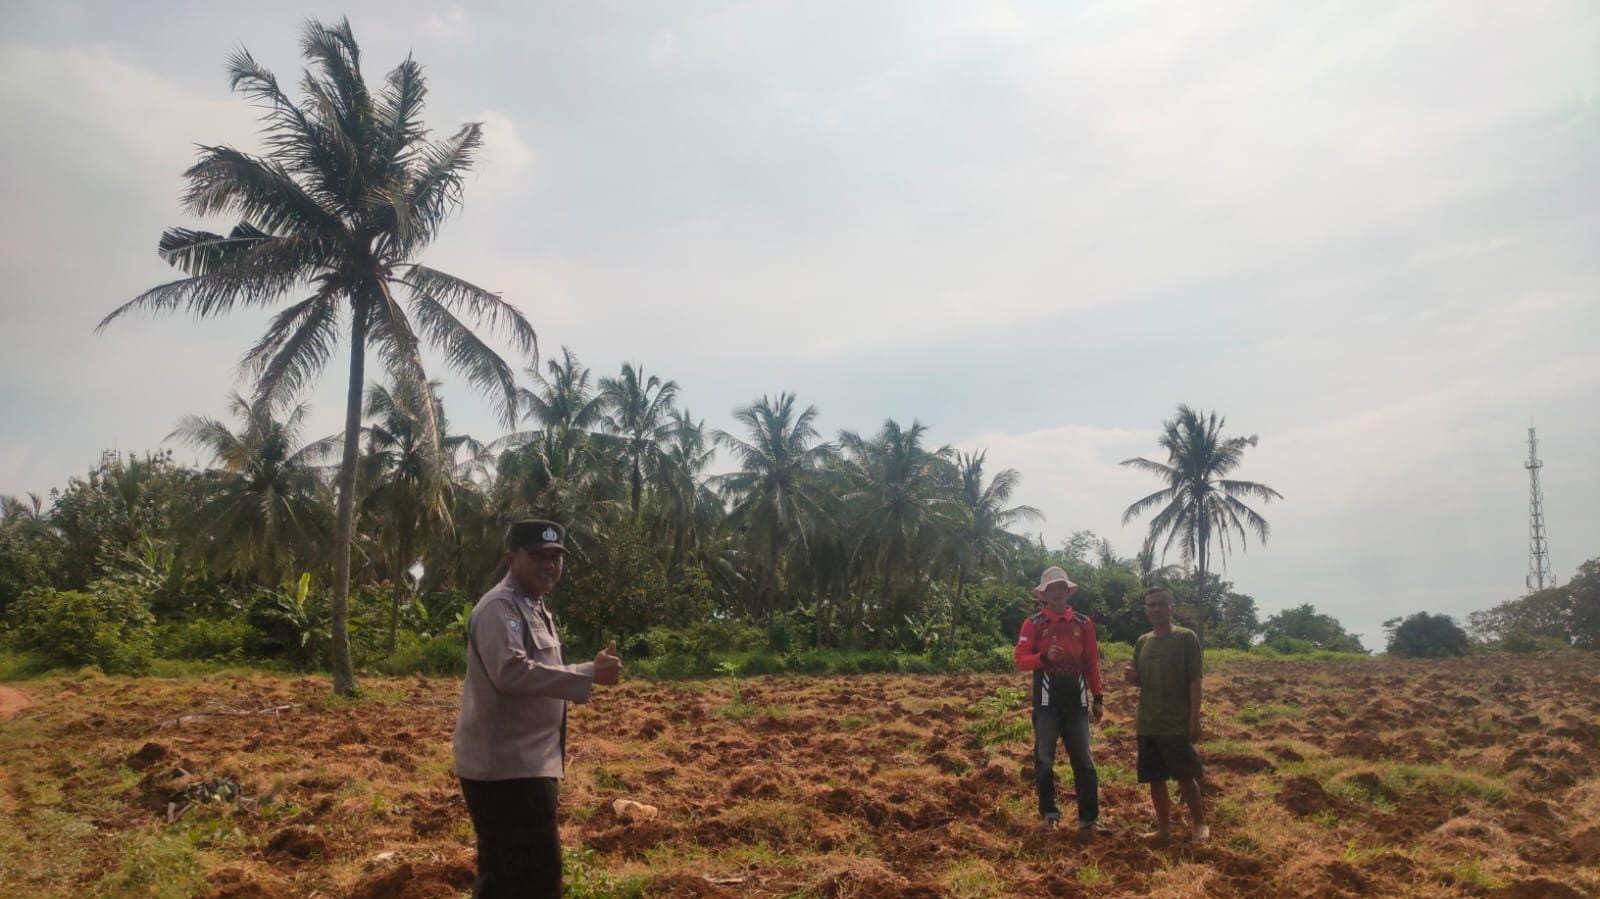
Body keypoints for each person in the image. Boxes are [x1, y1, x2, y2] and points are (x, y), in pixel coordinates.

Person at [452, 519, 623, 897]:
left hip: (529, 762)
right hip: (506, 770)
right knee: (526, 878)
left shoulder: (534, 606)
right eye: (539, 556)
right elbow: (511, 672)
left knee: (518, 877)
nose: (550, 564)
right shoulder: (499, 607)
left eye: (556, 557)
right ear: (511, 558)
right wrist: (587, 674)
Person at [1014, 566, 1104, 832]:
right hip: (1046, 703)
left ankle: (1089, 819)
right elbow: (1020, 660)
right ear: (1044, 594)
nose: (1056, 594)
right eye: (1051, 589)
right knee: (1044, 760)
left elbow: (1092, 662)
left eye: (1060, 589)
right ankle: (1049, 814)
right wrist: (1043, 658)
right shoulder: (1033, 624)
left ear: (1067, 592)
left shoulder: (1083, 624)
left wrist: (1098, 697)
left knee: (1084, 760)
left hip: (1077, 702)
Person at [1124, 586, 1208, 845]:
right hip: (1148, 722)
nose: (1156, 609)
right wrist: (1131, 677)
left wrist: (1194, 718)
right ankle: (1163, 830)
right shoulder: (1143, 642)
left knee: (1185, 776)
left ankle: (1199, 824)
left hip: (1175, 721)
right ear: (1146, 610)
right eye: (1151, 605)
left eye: (1161, 604)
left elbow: (1195, 680)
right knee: (1155, 779)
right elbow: (1140, 680)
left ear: (1171, 607)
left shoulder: (1185, 638)